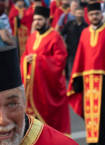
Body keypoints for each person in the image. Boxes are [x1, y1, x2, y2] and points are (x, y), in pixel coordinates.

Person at [68, 2, 105, 145]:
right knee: (90, 112)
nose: (94, 16)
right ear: (88, 16)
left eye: (97, 14)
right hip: (88, 80)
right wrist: (77, 77)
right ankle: (92, 138)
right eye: (92, 15)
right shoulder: (85, 33)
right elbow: (80, 56)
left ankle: (104, 139)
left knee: (104, 111)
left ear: (101, 15)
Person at [21, 5, 70, 133]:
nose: (36, 22)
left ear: (47, 20)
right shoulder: (32, 37)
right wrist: (26, 60)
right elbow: (25, 55)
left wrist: (37, 59)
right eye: (35, 19)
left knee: (47, 123)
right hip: (31, 86)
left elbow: (60, 59)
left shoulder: (55, 37)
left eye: (40, 19)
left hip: (47, 87)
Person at [60, 0, 87, 77]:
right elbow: (61, 34)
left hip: (82, 52)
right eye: (78, 13)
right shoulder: (69, 23)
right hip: (70, 51)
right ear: (75, 13)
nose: (79, 15)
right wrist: (64, 44)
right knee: (71, 71)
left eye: (81, 13)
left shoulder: (86, 26)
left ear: (83, 14)